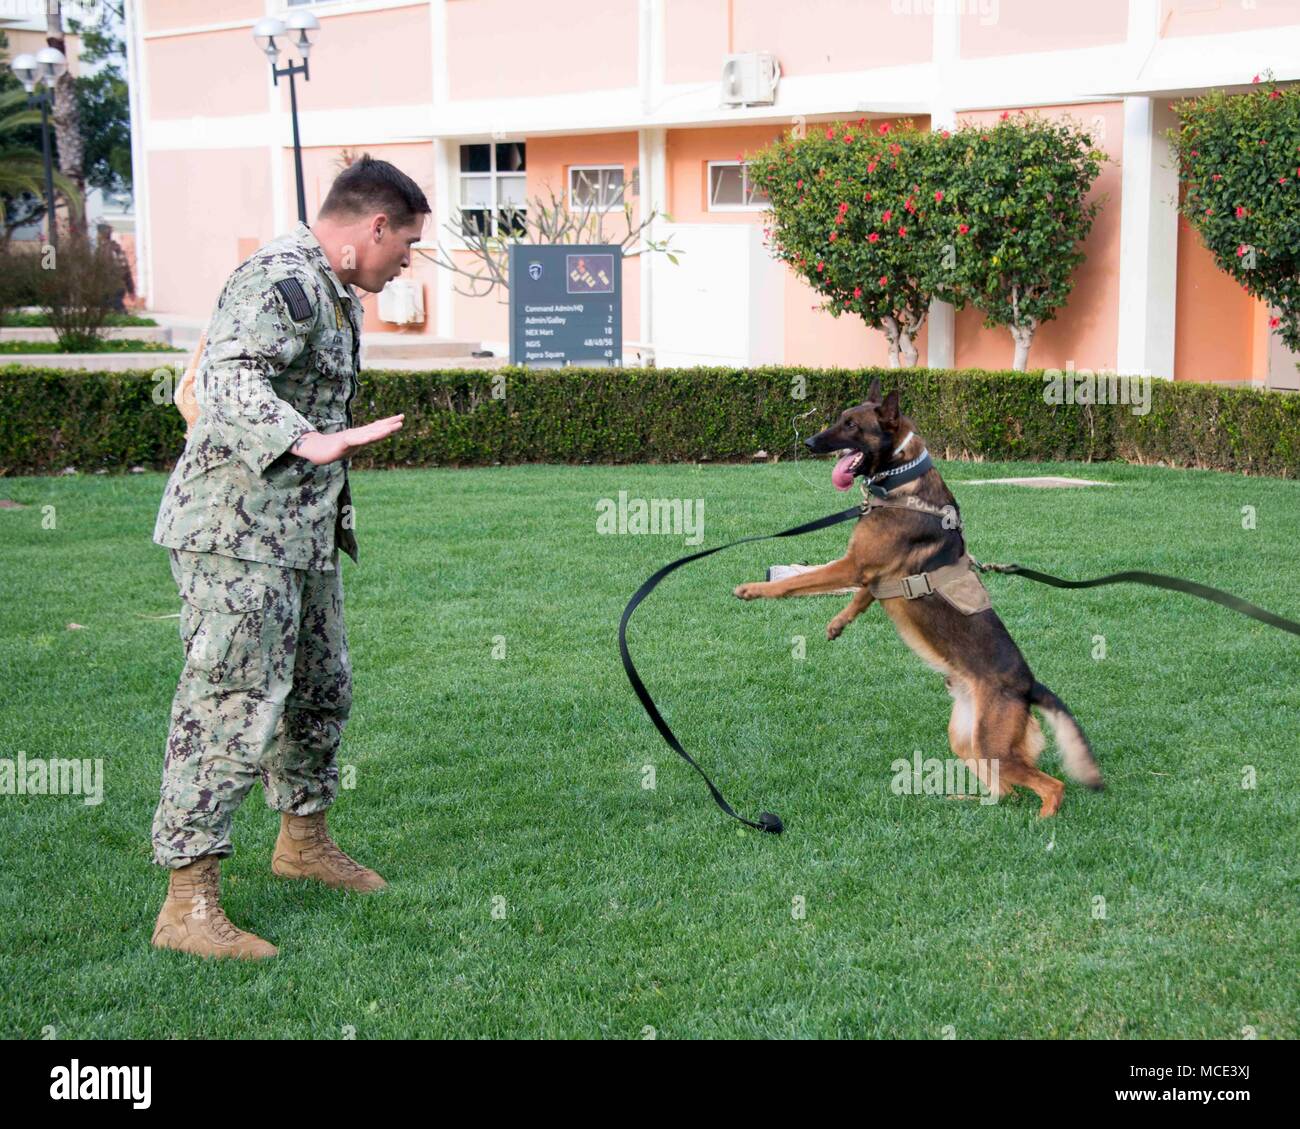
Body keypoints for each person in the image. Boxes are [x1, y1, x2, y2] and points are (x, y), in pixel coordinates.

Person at [149, 155, 429, 959]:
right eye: (405, 243)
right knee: (231, 702)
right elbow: (228, 376)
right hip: (235, 537)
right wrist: (308, 439)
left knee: (318, 689)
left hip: (297, 537)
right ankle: (187, 902)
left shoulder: (334, 290)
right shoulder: (281, 277)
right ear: (372, 227)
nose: (406, 260)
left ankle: (303, 843)